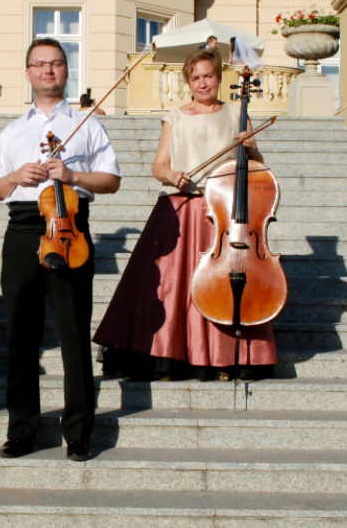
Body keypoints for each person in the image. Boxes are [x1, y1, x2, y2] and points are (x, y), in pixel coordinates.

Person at [93, 46, 277, 382]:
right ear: (187, 82)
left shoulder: (237, 113)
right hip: (180, 206)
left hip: (221, 213)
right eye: (195, 78)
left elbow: (257, 168)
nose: (202, 83)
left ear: (219, 78)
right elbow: (158, 165)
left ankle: (222, 356)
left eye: (208, 76)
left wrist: (251, 147)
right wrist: (172, 175)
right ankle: (167, 356)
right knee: (168, 286)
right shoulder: (175, 117)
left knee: (220, 284)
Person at [0, 38, 121, 462]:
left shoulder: (88, 123)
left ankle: (79, 431)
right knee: (20, 336)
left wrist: (73, 173)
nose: (48, 70)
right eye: (40, 64)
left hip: (71, 229)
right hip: (24, 229)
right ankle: (21, 429)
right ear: (27, 73)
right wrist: (14, 176)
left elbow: (112, 180)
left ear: (66, 71)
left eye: (57, 64)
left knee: (73, 334)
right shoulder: (12, 131)